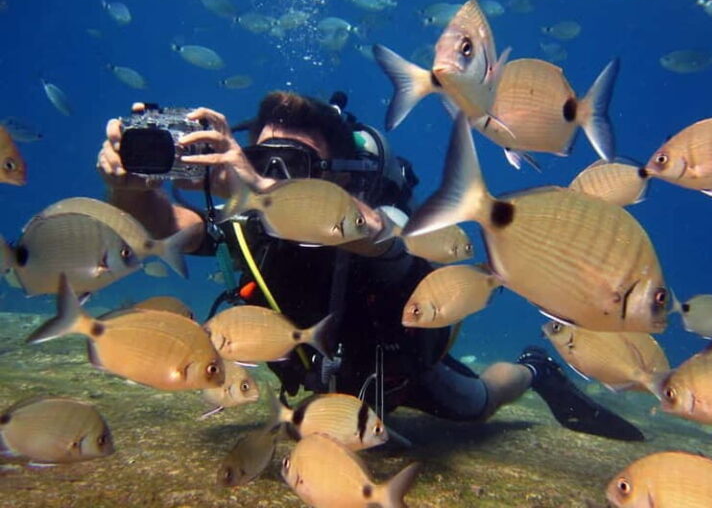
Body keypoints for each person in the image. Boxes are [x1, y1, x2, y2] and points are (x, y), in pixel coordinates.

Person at [97, 91, 643, 440]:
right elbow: (164, 228)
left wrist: (271, 190)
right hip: (309, 366)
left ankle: (533, 369)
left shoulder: (366, 212)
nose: (276, 175)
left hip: (394, 360)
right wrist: (125, 188)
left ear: (336, 174)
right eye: (265, 161)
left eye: (299, 165)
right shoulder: (245, 219)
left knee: (476, 405)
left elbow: (381, 236)